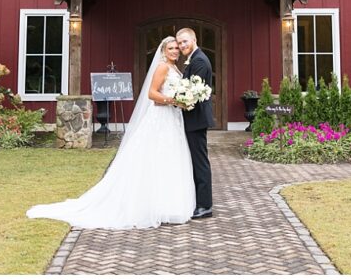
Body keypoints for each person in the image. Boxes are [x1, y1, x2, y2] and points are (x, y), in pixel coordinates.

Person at [26, 37, 195, 229]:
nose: (174, 51)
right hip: (161, 119)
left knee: (168, 159)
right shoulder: (162, 67)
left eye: (176, 48)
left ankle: (166, 204)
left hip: (172, 118)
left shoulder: (174, 68)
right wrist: (173, 101)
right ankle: (152, 205)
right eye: (170, 48)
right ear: (164, 51)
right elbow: (152, 94)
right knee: (156, 158)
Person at [176, 27, 214, 219]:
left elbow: (192, 93)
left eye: (185, 41)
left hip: (196, 119)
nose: (182, 45)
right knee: (196, 161)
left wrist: (174, 98)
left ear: (194, 39)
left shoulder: (199, 60)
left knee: (200, 163)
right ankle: (198, 201)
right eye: (179, 42)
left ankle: (205, 205)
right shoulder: (194, 58)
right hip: (193, 118)